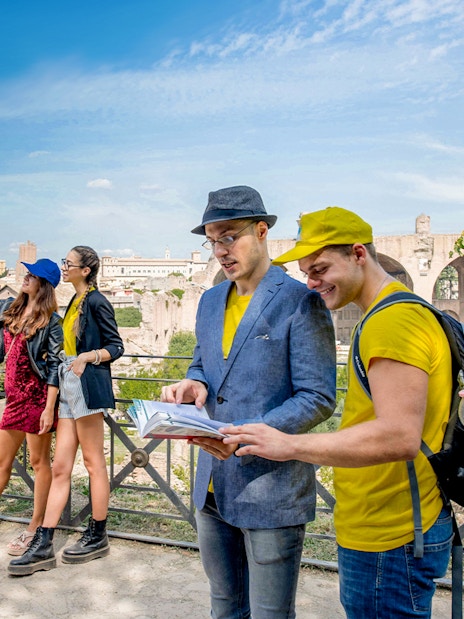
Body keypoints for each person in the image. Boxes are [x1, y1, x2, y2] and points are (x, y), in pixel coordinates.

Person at [221, 206, 454, 619]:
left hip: (390, 531)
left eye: (322, 268)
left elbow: (397, 436)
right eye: (307, 272)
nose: (312, 283)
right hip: (390, 525)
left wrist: (288, 443)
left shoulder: (392, 323)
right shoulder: (393, 313)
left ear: (359, 254)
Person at [161, 186, 336, 619]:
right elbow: (203, 366)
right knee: (224, 606)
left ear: (261, 232)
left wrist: (247, 435)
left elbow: (318, 397)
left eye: (229, 236)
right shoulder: (208, 301)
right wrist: (193, 384)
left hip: (271, 486)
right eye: (211, 239)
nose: (220, 249)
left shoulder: (302, 301)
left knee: (269, 613)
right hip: (211, 484)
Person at [9, 246, 124, 576]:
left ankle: (97, 534)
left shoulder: (97, 300)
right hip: (67, 386)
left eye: (69, 264)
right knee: (60, 466)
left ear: (85, 270)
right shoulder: (75, 301)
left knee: (92, 462)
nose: (65, 267)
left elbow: (116, 346)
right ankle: (43, 544)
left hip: (86, 385)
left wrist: (90, 356)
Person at [0, 259, 63, 556]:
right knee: (2, 463)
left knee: (39, 464)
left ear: (43, 284)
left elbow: (53, 368)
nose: (25, 277)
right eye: (26, 273)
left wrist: (50, 409)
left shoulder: (51, 321)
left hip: (37, 398)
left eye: (32, 275)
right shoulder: (9, 308)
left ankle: (35, 527)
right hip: (13, 399)